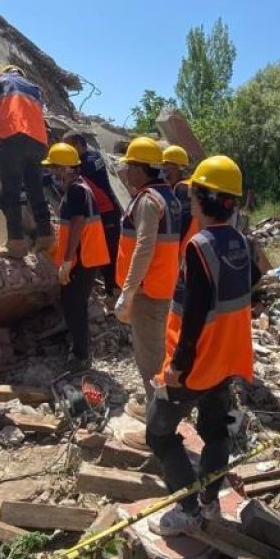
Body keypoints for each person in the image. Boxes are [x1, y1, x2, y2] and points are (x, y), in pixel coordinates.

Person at [146, 155, 259, 536]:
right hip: (229, 360)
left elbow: (193, 315)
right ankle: (210, 503)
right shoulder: (240, 242)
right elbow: (250, 286)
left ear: (203, 198)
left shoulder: (200, 246)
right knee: (215, 432)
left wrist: (178, 365)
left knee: (158, 434)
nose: (189, 201)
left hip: (197, 364)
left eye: (193, 194)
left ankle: (189, 510)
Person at [114, 137, 182, 421]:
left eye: (129, 166)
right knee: (158, 350)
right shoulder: (168, 196)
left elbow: (144, 247)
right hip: (164, 286)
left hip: (147, 290)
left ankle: (158, 420)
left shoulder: (148, 200)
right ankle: (160, 408)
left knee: (150, 358)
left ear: (140, 168)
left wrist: (128, 292)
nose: (126, 172)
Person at [43, 142, 111, 372]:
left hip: (81, 260)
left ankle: (81, 357)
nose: (52, 171)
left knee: (74, 307)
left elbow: (78, 223)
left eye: (54, 167)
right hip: (84, 258)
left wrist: (67, 261)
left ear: (65, 168)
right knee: (75, 305)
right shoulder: (79, 188)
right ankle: (80, 352)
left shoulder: (76, 190)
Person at [0, 64, 51, 259]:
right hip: (38, 141)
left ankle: (16, 243)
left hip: (14, 135)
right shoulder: (34, 88)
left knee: (10, 192)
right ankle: (46, 235)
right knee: (35, 189)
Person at [62, 131, 123, 297]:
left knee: (110, 253)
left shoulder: (88, 162)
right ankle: (111, 289)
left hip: (106, 211)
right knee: (105, 252)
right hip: (102, 212)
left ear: (78, 144)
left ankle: (114, 292)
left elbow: (73, 175)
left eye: (68, 145)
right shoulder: (92, 157)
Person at [162, 145, 197, 262]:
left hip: (186, 249)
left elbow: (183, 219)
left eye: (167, 167)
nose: (164, 172)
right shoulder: (193, 185)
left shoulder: (181, 188)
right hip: (197, 245)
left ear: (178, 168)